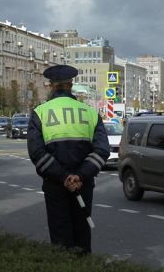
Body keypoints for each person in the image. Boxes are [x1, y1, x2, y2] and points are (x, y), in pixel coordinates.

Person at [27, 65, 110, 254]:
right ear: (70, 85)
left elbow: (36, 153)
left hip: (56, 186)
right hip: (83, 185)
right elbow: (101, 151)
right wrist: (80, 176)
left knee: (60, 238)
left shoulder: (40, 113)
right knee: (82, 234)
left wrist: (64, 177)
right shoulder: (89, 112)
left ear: (52, 86)